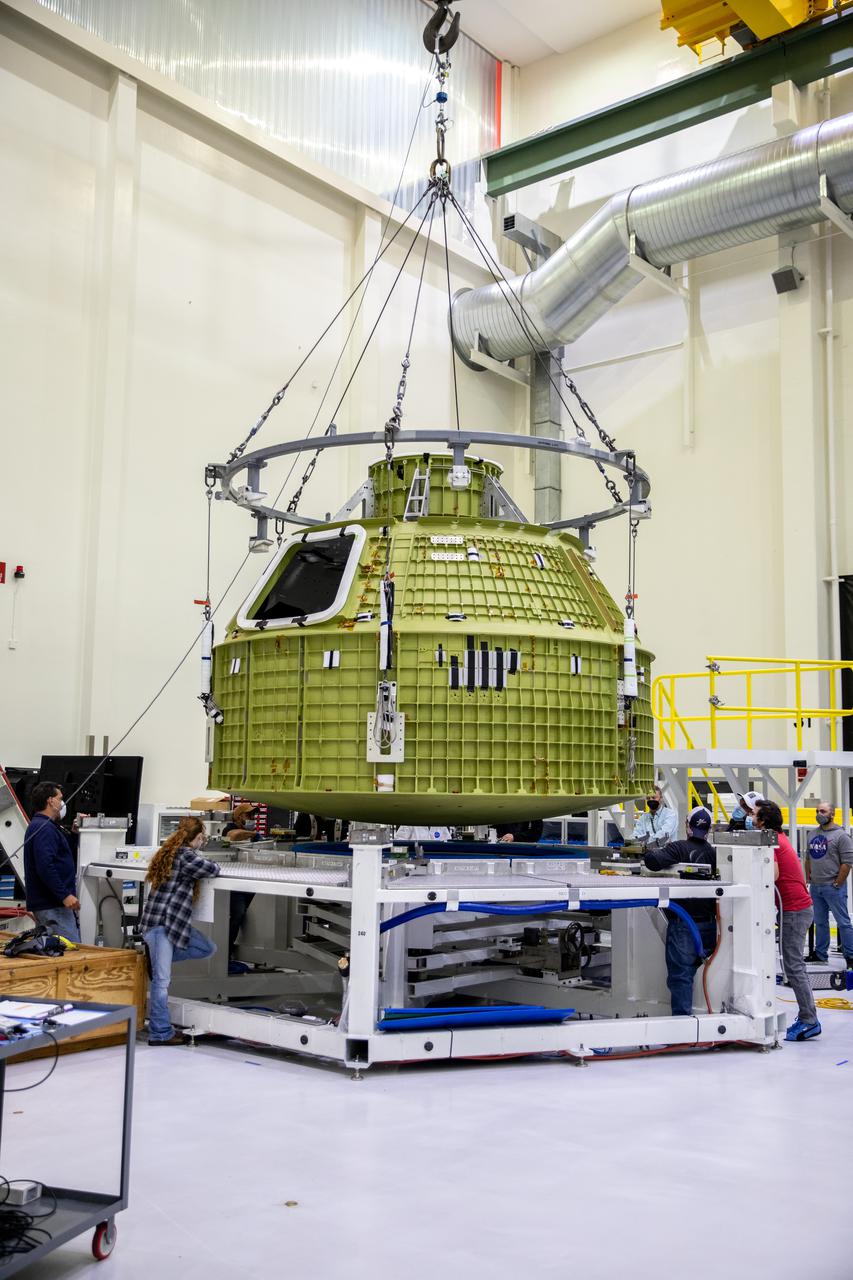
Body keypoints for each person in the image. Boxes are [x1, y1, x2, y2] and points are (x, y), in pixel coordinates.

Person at [140, 816, 220, 1046]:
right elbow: (213, 869)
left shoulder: (169, 852)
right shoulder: (186, 856)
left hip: (167, 924)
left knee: (207, 947)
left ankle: (154, 960)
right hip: (163, 925)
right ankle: (160, 1033)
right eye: (201, 838)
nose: (203, 841)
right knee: (162, 982)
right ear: (193, 838)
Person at [754, 800, 820, 1041]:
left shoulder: (772, 842)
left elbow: (772, 875)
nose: (751, 817)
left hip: (795, 909)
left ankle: (809, 1020)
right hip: (795, 908)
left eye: (754, 814)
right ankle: (807, 1017)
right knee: (792, 965)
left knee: (793, 966)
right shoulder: (779, 838)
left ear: (762, 822)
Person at [643, 806, 717, 1016]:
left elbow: (653, 862)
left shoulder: (678, 848)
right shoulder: (713, 852)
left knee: (681, 976)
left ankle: (682, 1025)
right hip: (710, 926)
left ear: (688, 826)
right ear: (708, 829)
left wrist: (650, 849)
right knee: (706, 971)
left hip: (684, 925)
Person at [22, 781, 81, 943]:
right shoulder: (44, 828)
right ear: (51, 801)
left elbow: (60, 856)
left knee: (55, 951)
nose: (62, 803)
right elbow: (45, 866)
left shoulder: (45, 826)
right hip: (53, 905)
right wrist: (65, 895)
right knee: (69, 955)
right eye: (60, 798)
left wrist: (74, 834)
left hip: (51, 904)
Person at [807, 800, 853, 967]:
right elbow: (808, 859)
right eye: (818, 811)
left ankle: (850, 956)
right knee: (820, 922)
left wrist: (837, 883)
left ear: (832, 814)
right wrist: (808, 879)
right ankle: (820, 954)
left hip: (833, 887)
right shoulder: (812, 834)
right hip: (816, 886)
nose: (820, 814)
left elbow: (847, 862)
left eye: (823, 811)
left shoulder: (841, 836)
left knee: (843, 922)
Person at [222, 804, 258, 974]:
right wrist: (253, 834)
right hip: (234, 883)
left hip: (247, 880)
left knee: (244, 915)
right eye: (248, 816)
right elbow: (233, 836)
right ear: (239, 816)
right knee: (237, 914)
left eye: (253, 816)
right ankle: (224, 954)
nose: (252, 820)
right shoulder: (230, 828)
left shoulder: (248, 831)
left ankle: (233, 951)